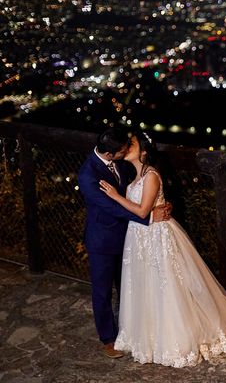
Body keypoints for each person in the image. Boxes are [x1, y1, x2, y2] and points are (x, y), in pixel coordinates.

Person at [99, 131, 226, 367]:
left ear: (143, 152)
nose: (127, 147)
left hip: (156, 237)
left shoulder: (151, 175)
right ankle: (147, 337)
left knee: (167, 286)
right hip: (140, 237)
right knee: (146, 287)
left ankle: (174, 338)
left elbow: (142, 211)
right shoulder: (134, 175)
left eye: (131, 144)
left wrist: (114, 196)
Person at [78, 128, 172, 359]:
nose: (127, 151)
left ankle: (133, 330)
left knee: (130, 285)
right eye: (123, 150)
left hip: (132, 235)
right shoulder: (87, 175)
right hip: (103, 239)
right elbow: (110, 207)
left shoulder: (121, 163)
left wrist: (157, 203)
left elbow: (140, 187)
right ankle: (108, 338)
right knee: (102, 291)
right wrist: (148, 216)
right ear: (110, 154)